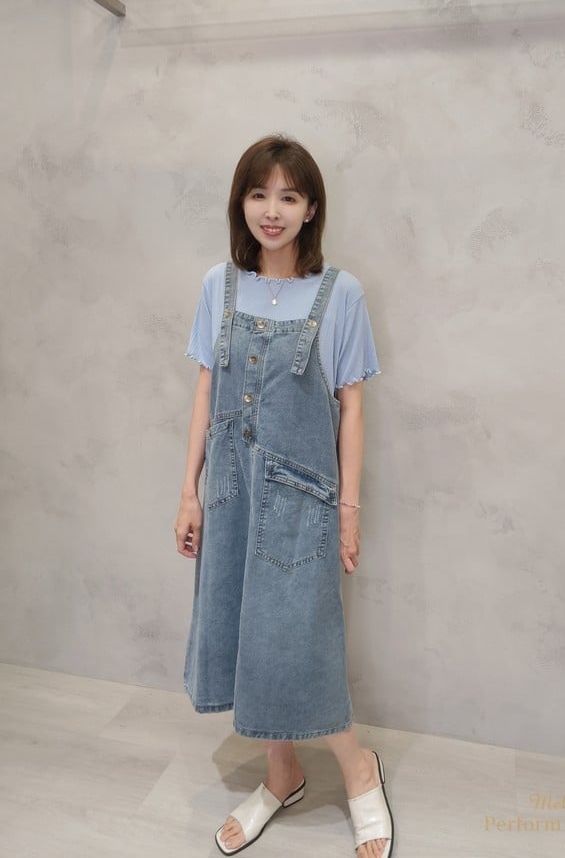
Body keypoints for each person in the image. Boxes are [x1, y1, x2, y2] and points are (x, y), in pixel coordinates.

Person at [174, 135, 393, 858]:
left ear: (311, 209)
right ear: (241, 203)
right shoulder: (219, 286)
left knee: (298, 642)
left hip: (303, 501)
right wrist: (189, 493)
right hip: (231, 493)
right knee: (246, 635)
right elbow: (205, 388)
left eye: (289, 196)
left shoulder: (341, 293)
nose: (272, 210)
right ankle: (281, 774)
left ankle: (358, 769)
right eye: (259, 194)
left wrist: (348, 512)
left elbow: (351, 409)